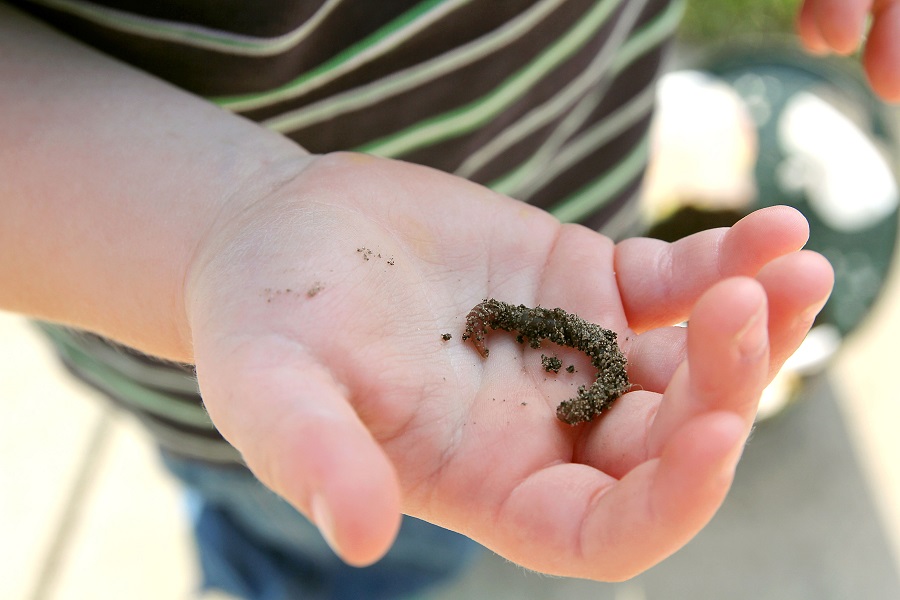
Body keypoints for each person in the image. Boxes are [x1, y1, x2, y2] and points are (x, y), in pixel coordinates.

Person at [0, 0, 892, 597]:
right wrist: (218, 224)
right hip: (267, 343)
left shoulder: (562, 331)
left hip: (579, 167)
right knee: (324, 542)